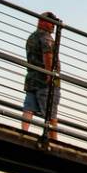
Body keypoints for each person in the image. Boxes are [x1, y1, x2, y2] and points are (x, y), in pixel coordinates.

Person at [20, 11, 62, 141]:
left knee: (29, 108)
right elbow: (48, 55)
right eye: (51, 22)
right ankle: (54, 141)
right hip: (45, 81)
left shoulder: (32, 37)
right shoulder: (46, 37)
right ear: (42, 22)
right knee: (50, 112)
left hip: (32, 79)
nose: (53, 26)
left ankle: (24, 133)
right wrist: (50, 75)